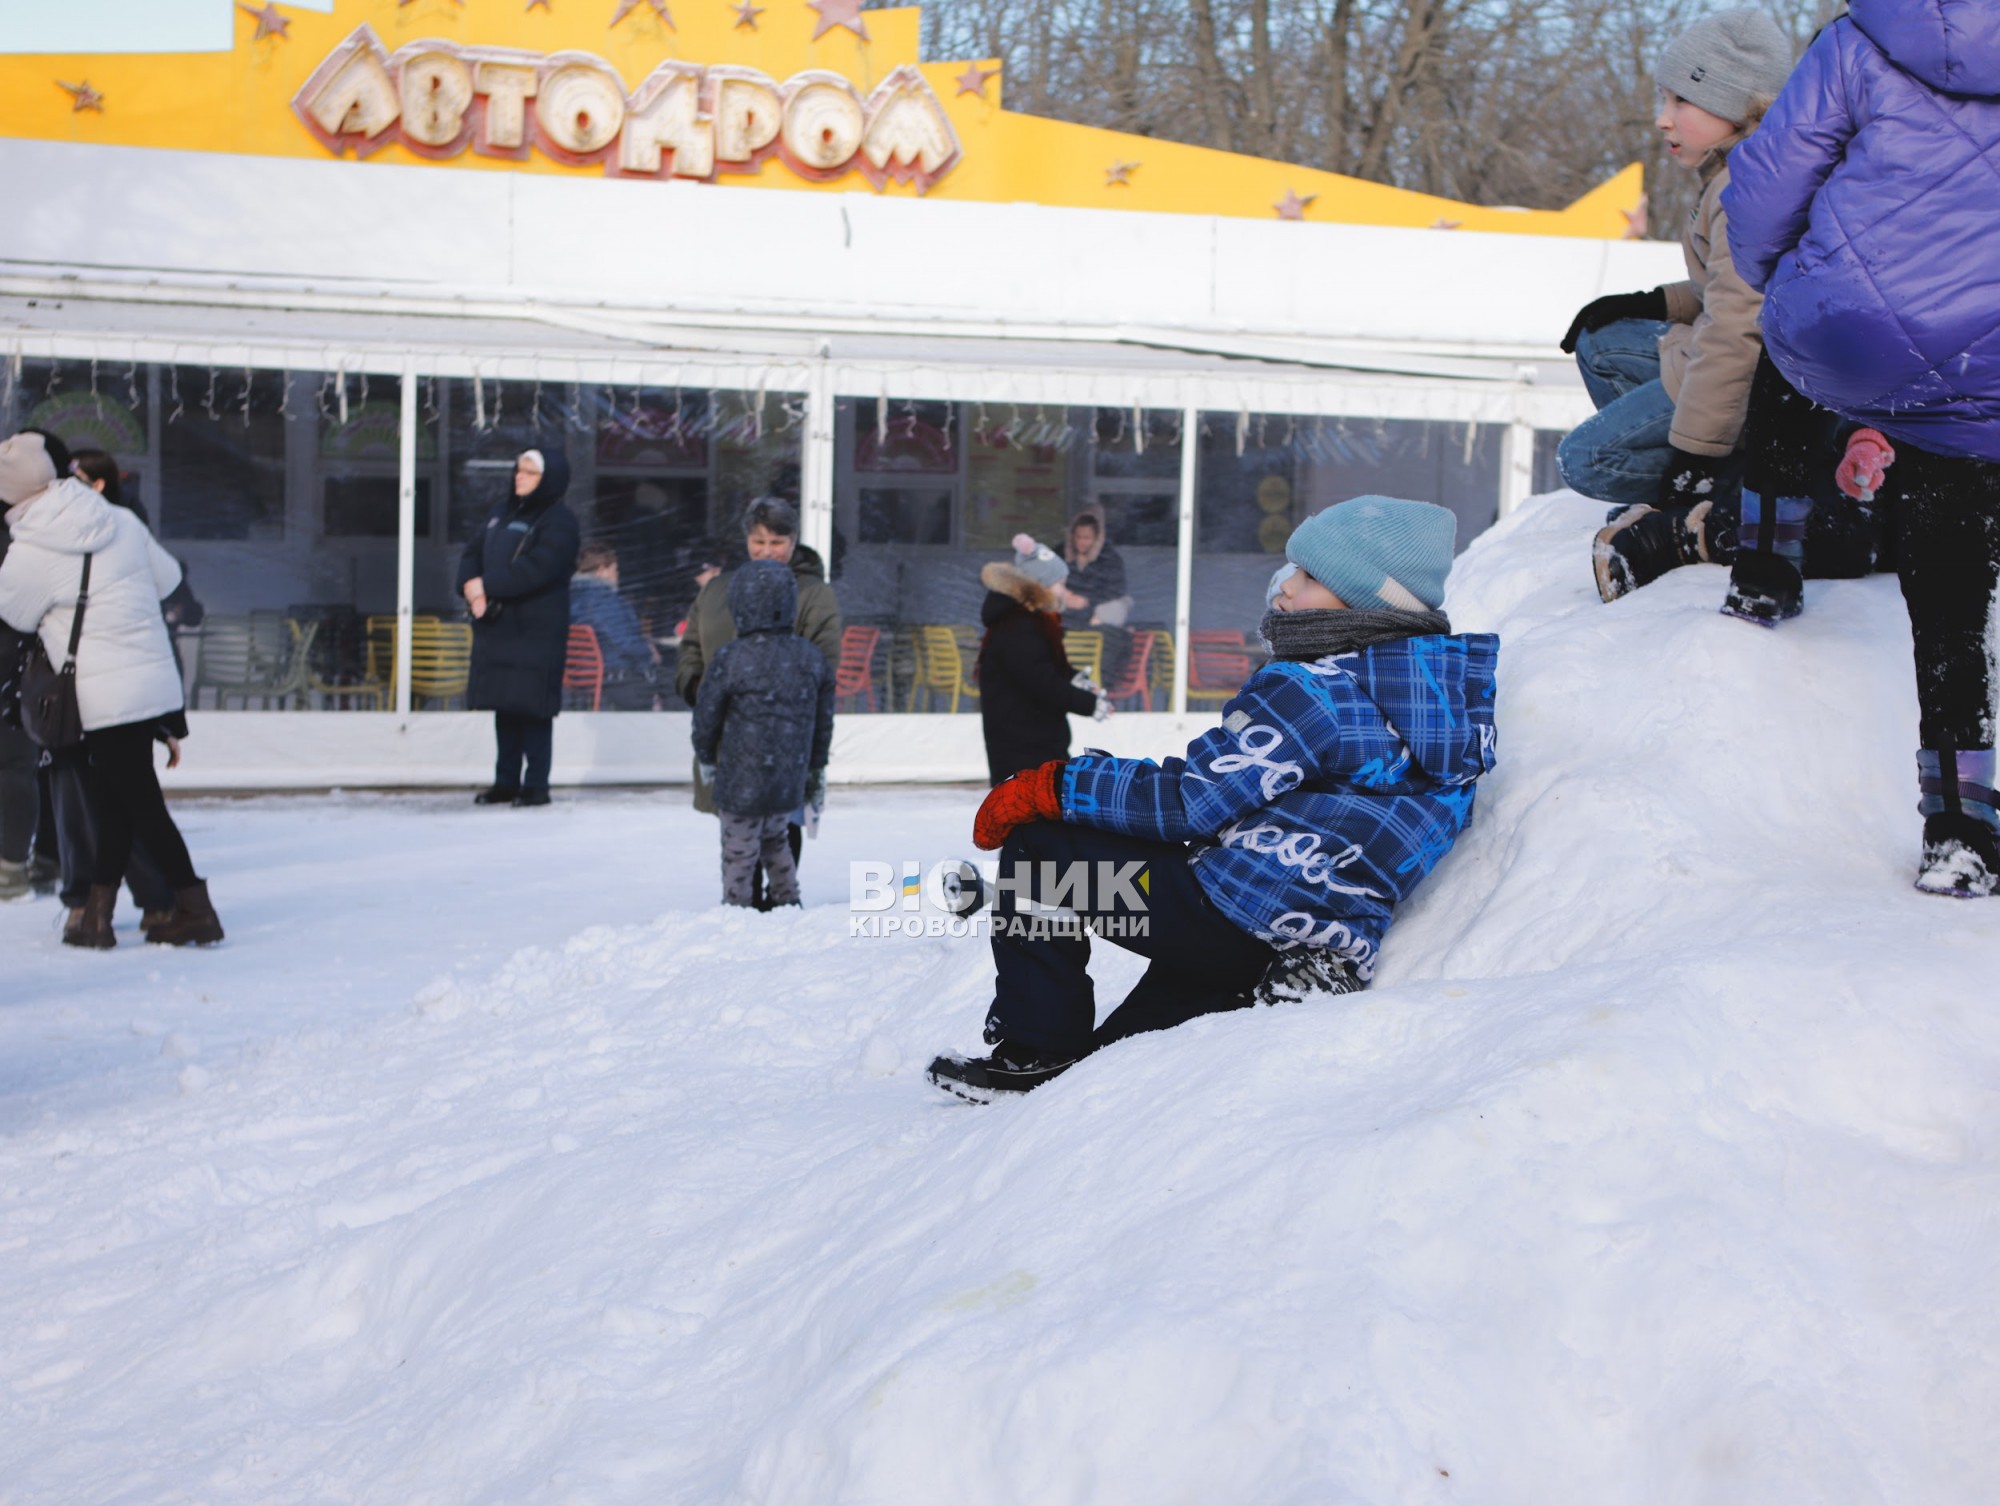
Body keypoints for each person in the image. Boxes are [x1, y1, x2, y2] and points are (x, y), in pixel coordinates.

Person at [927, 496, 1499, 1102]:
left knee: (1042, 850)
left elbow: (1189, 800)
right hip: (1310, 934)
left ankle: (1032, 1047)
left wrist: (1057, 786)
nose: (1285, 588)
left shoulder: (1312, 691)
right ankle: (1283, 980)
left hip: (1227, 908)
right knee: (1110, 1069)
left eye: (1308, 577)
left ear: (1364, 601)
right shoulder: (1450, 713)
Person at [1721, 0, 2000, 895]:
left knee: (1793, 339)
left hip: (1862, 324)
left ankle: (1765, 565)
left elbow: (1766, 186)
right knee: (1958, 564)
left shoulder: (1858, 40)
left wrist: (1781, 281)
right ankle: (1963, 828)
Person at [1554, 9, 1792, 594]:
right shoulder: (1729, 172)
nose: (1663, 118)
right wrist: (1654, 302)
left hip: (1749, 378)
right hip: (1724, 357)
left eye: (1682, 100)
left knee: (1585, 459)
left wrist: (1696, 455)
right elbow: (1724, 288)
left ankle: (1707, 495)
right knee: (1603, 342)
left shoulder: (1746, 190)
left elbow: (1738, 330)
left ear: (1736, 106)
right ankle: (1686, 479)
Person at [0, 428, 223, 948]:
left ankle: (196, 909)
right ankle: (96, 918)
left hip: (99, 694)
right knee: (117, 805)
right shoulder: (118, 519)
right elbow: (166, 579)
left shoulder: (30, 549)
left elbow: (15, 617)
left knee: (139, 806)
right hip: (149, 680)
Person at [676, 497, 842, 901]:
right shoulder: (719, 590)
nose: (767, 551)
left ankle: (778, 903)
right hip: (729, 733)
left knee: (784, 824)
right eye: (759, 541)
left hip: (785, 732)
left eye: (777, 542)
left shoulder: (812, 594)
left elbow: (823, 664)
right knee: (736, 827)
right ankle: (743, 904)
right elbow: (691, 647)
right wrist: (701, 688)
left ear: (794, 541)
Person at [457, 448, 581, 807]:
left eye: (530, 472)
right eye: (518, 470)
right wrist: (471, 588)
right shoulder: (501, 512)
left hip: (536, 629)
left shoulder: (559, 520)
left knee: (533, 707)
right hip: (500, 625)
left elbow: (539, 567)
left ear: (548, 479)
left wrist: (486, 586)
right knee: (505, 705)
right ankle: (505, 782)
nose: (519, 477)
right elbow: (472, 553)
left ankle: (536, 785)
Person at [977, 533, 1105, 786]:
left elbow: (1043, 669)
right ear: (1040, 586)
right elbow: (1042, 682)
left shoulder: (1027, 623)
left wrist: (1074, 680)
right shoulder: (1018, 627)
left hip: (1033, 743)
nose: (1064, 591)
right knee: (1031, 807)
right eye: (1060, 584)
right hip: (1023, 750)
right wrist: (1087, 703)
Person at [568, 541, 660, 710]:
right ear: (601, 570)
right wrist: (649, 653)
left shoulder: (569, 597)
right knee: (675, 684)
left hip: (578, 679)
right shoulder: (604, 600)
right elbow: (626, 642)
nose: (617, 575)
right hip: (616, 679)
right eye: (614, 570)